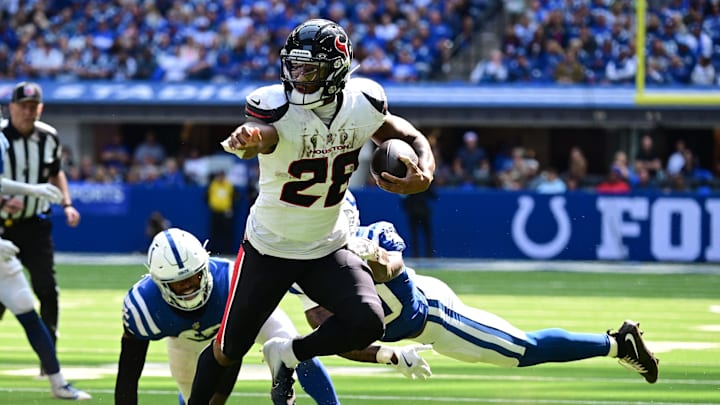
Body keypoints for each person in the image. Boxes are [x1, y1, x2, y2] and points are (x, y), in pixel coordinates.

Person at [190, 18, 435, 405]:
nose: (300, 76)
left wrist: (425, 172)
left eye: (311, 69)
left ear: (337, 71)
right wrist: (249, 139)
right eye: (295, 66)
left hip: (327, 246)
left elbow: (408, 135)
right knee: (228, 349)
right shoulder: (277, 111)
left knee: (367, 321)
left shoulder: (363, 105)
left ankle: (286, 354)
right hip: (269, 248)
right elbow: (267, 135)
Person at [294, 192, 660, 385]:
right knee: (517, 351)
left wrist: (365, 254)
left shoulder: (371, 236)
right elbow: (330, 335)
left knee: (523, 349)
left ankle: (616, 343)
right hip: (415, 330)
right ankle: (615, 345)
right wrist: (385, 356)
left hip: (436, 314)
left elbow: (392, 267)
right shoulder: (308, 270)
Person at [115, 228, 340, 405]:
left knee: (296, 347)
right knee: (195, 396)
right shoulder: (143, 307)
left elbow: (233, 347)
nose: (189, 288)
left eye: (194, 277)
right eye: (178, 283)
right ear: (159, 283)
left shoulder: (231, 279)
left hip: (241, 316)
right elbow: (128, 376)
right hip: (186, 343)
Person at [0, 109, 91, 400]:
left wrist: (33, 191)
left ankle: (57, 383)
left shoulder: (11, 141)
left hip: (9, 246)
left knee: (28, 306)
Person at [399, 185, 436, 257]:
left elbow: (403, 199)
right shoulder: (423, 184)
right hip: (420, 212)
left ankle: (419, 254)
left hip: (415, 212)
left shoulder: (408, 186)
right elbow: (434, 196)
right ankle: (426, 254)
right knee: (422, 234)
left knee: (417, 234)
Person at [206, 171, 236, 255]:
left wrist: (231, 208)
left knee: (226, 233)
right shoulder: (213, 185)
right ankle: (213, 250)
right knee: (214, 232)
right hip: (215, 212)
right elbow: (207, 196)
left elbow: (234, 197)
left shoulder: (229, 185)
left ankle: (227, 251)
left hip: (226, 213)